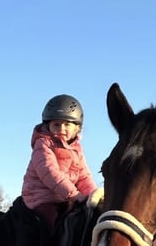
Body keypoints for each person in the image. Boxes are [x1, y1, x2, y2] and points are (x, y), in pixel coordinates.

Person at [21, 94, 102, 230]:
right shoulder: (43, 144)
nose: (61, 129)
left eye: (67, 124)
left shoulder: (76, 150)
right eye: (56, 124)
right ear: (48, 126)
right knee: (52, 223)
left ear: (77, 128)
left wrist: (91, 196)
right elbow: (50, 173)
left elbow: (84, 177)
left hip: (65, 197)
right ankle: (45, 244)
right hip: (41, 197)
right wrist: (75, 195)